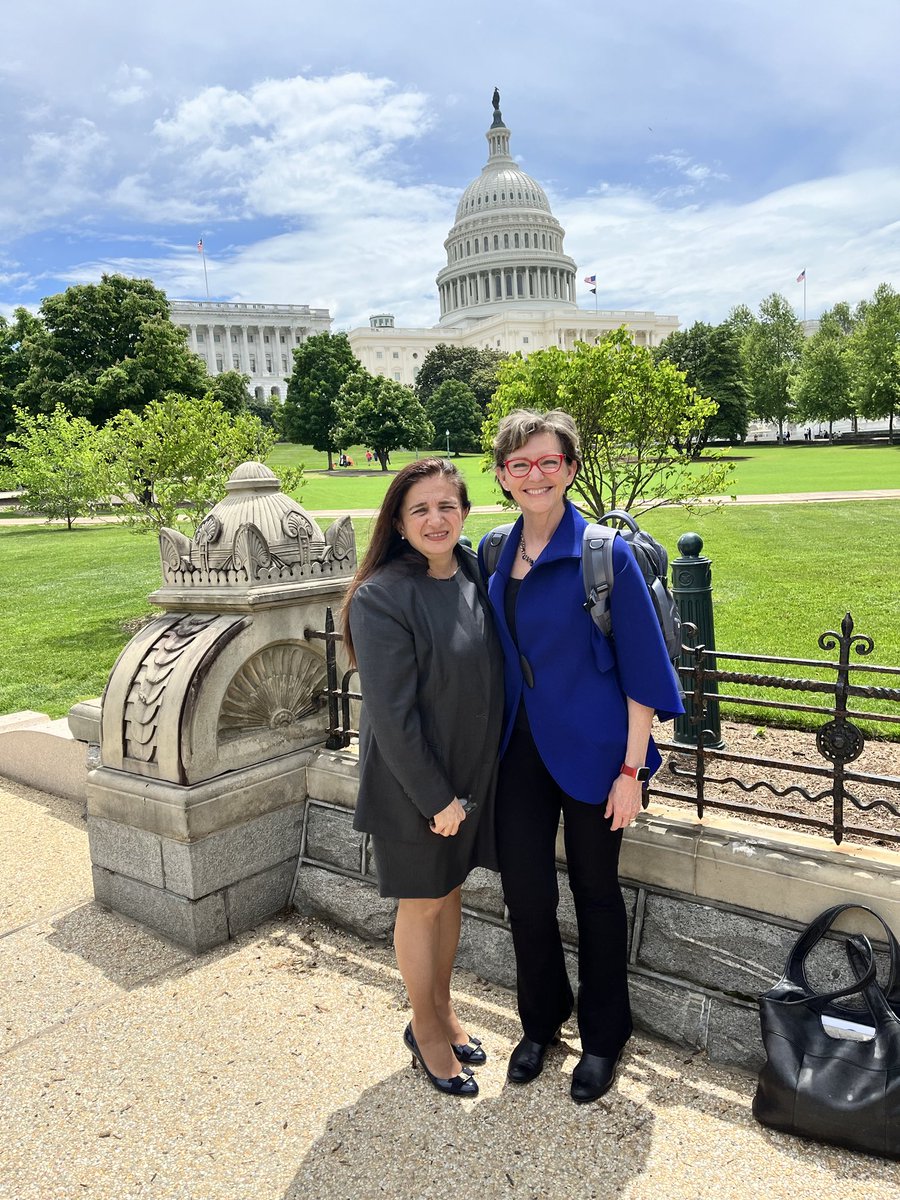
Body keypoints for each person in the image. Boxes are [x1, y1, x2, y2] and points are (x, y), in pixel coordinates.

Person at [478, 410, 684, 1104]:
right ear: (503, 476)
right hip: (519, 754)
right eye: (519, 464)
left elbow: (642, 674)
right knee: (525, 894)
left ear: (569, 468)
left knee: (595, 895)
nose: (534, 475)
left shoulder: (606, 555)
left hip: (598, 754)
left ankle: (604, 1037)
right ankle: (541, 1022)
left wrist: (632, 772)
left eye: (548, 462)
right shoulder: (494, 551)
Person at [341, 458, 504, 1099]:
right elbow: (392, 713)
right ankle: (425, 1030)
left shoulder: (469, 569)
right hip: (416, 786)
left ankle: (444, 1009)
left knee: (451, 894)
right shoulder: (382, 596)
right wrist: (437, 798)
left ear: (464, 511)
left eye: (448, 506)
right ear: (399, 522)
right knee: (423, 902)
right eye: (421, 509)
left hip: (468, 777)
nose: (436, 520)